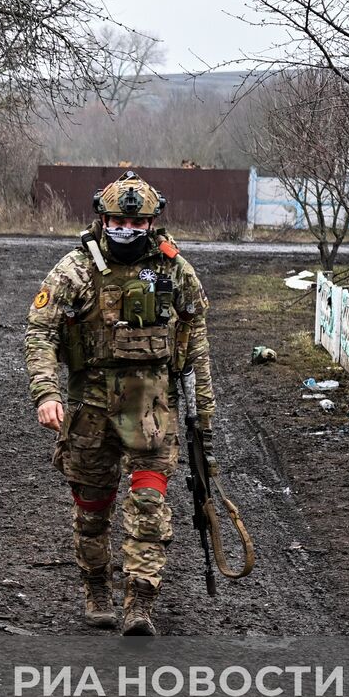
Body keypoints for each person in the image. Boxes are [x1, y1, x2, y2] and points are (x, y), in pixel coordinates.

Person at [23, 171, 215, 636]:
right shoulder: (74, 270)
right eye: (116, 222)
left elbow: (196, 345)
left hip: (152, 410)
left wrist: (203, 415)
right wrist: (46, 392)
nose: (126, 230)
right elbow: (40, 332)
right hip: (90, 409)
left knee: (149, 503)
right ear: (102, 219)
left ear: (152, 224)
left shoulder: (174, 270)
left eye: (137, 223)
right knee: (92, 508)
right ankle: (96, 590)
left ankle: (139, 601)